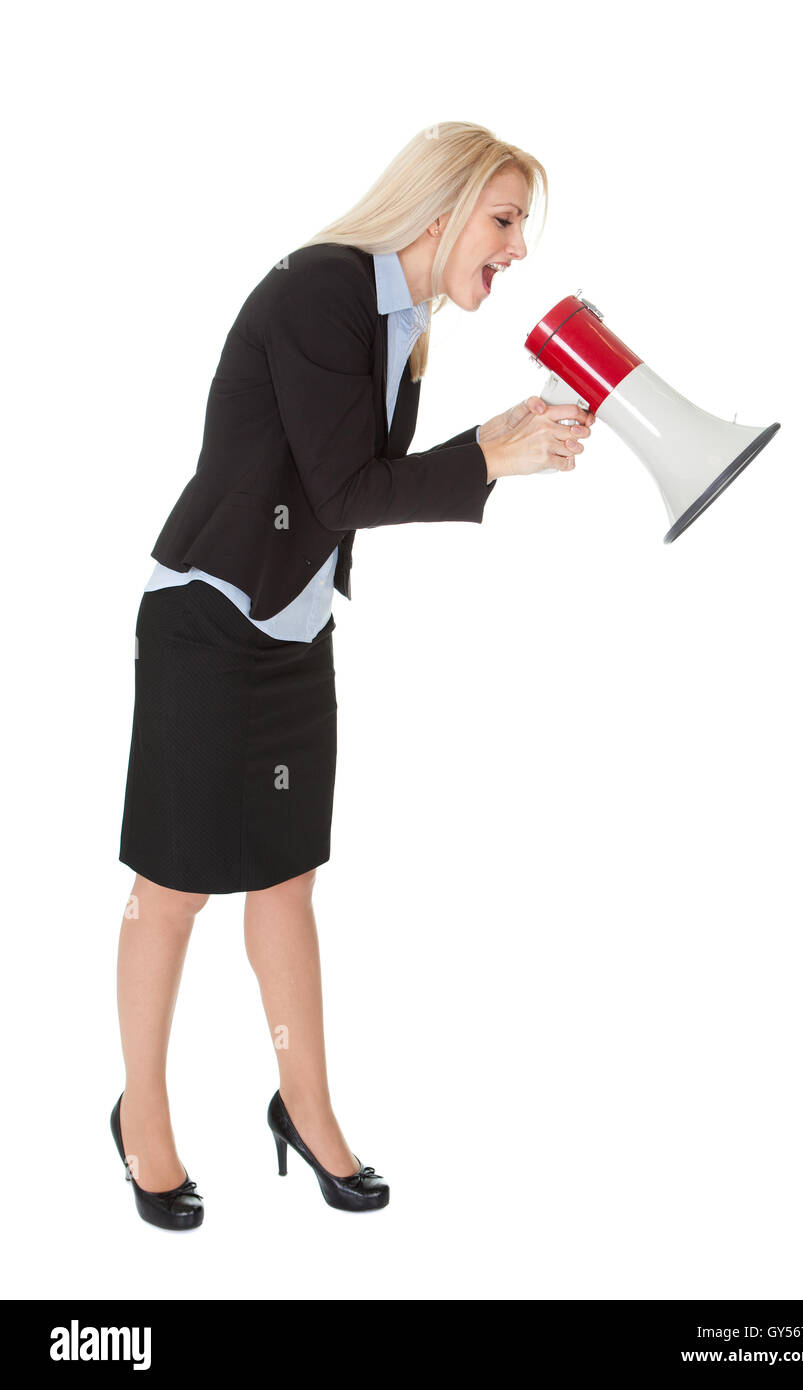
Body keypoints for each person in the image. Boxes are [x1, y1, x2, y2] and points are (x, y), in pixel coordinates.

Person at [113, 120, 595, 1229]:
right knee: (174, 888)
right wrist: (487, 456)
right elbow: (340, 494)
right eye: (504, 218)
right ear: (442, 207)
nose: (516, 248)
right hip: (208, 616)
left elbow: (352, 484)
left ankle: (305, 1108)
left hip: (290, 632)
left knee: (285, 879)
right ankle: (143, 1117)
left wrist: (491, 444)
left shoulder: (403, 327)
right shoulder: (324, 290)